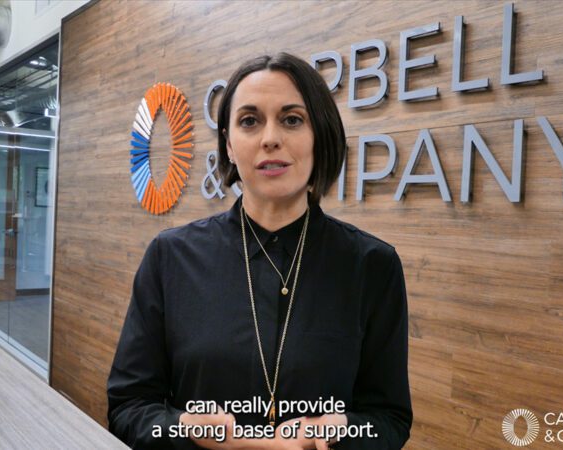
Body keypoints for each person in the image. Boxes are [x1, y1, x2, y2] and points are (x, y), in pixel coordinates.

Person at [108, 53, 412, 449]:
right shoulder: (171, 257)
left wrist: (339, 433)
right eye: (249, 121)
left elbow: (389, 418)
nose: (270, 138)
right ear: (230, 146)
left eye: (292, 119)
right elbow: (128, 406)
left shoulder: (372, 265)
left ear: (320, 136)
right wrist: (196, 432)